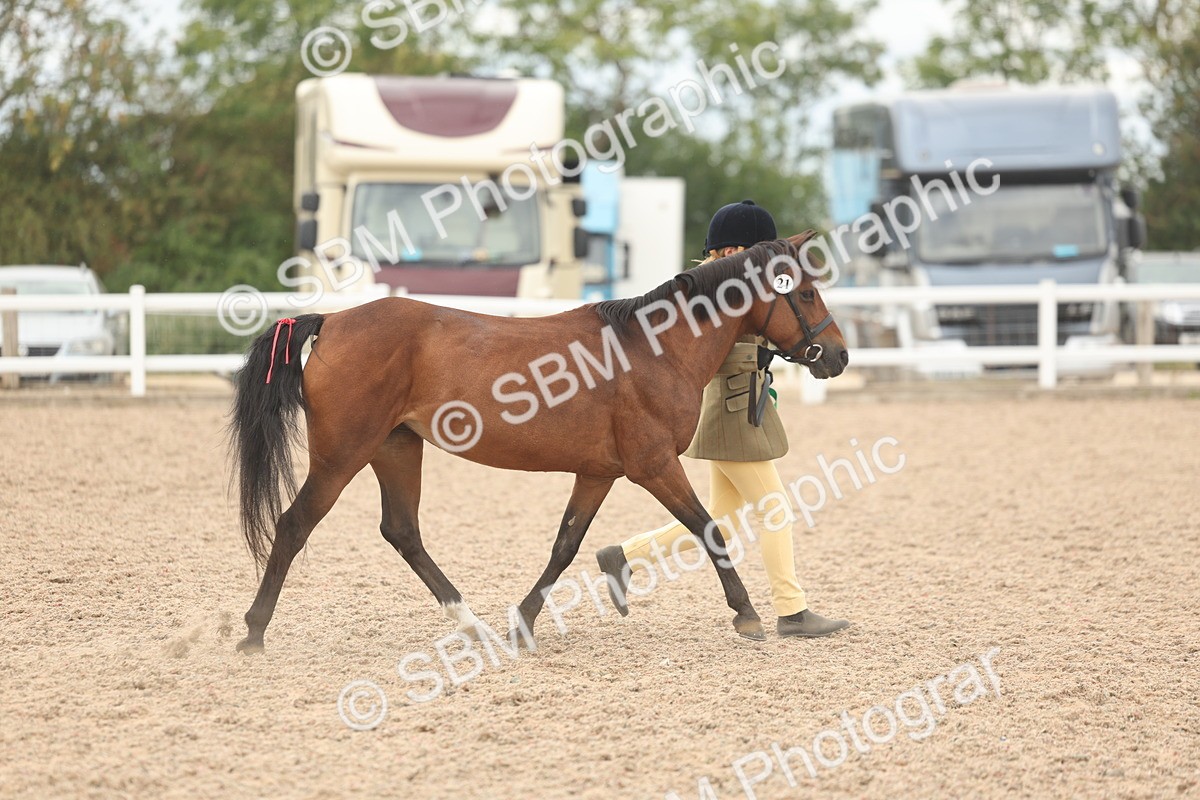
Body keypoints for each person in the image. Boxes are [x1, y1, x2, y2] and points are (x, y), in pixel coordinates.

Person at [595, 200, 850, 639]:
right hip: (733, 412)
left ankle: (625, 556)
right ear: (736, 252)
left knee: (722, 514)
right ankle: (792, 611)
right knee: (777, 511)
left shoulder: (742, 293)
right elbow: (713, 355)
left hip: (737, 409)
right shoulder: (718, 296)